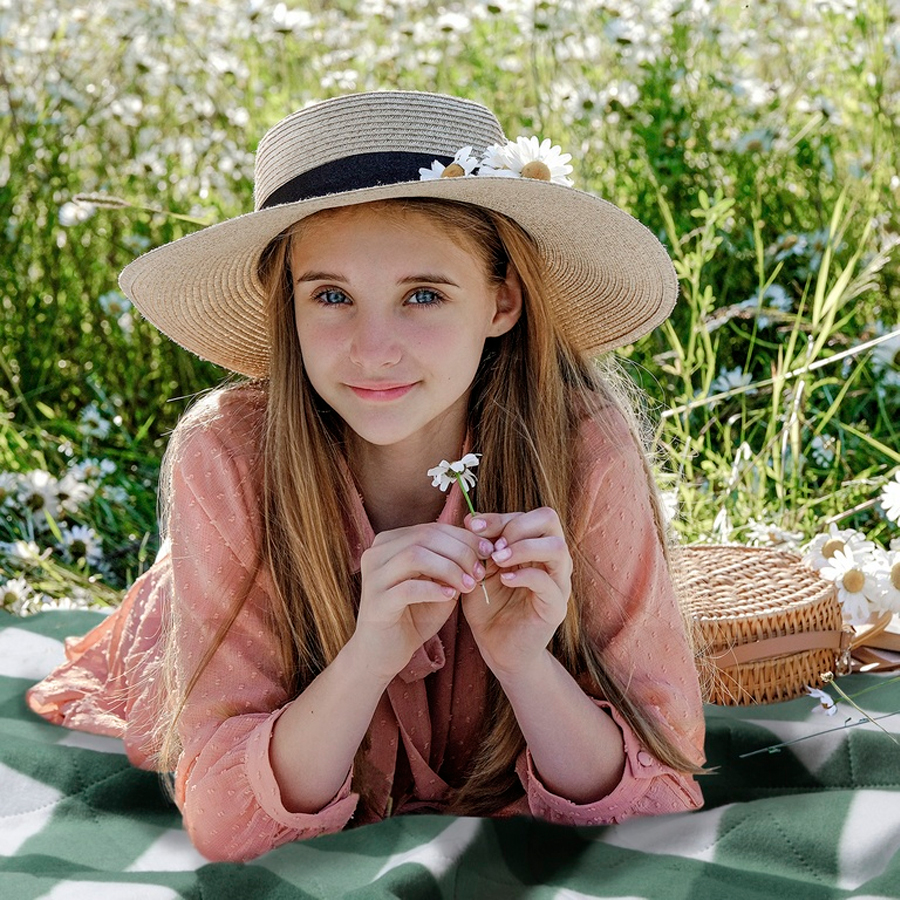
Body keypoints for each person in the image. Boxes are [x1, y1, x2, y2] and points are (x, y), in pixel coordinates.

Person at [27, 91, 706, 863]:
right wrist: (370, 653)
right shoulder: (226, 457)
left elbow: (659, 794)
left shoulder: (582, 450)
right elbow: (228, 822)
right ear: (288, 307)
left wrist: (523, 660)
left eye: (423, 294)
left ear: (503, 300)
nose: (372, 347)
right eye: (331, 296)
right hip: (229, 636)